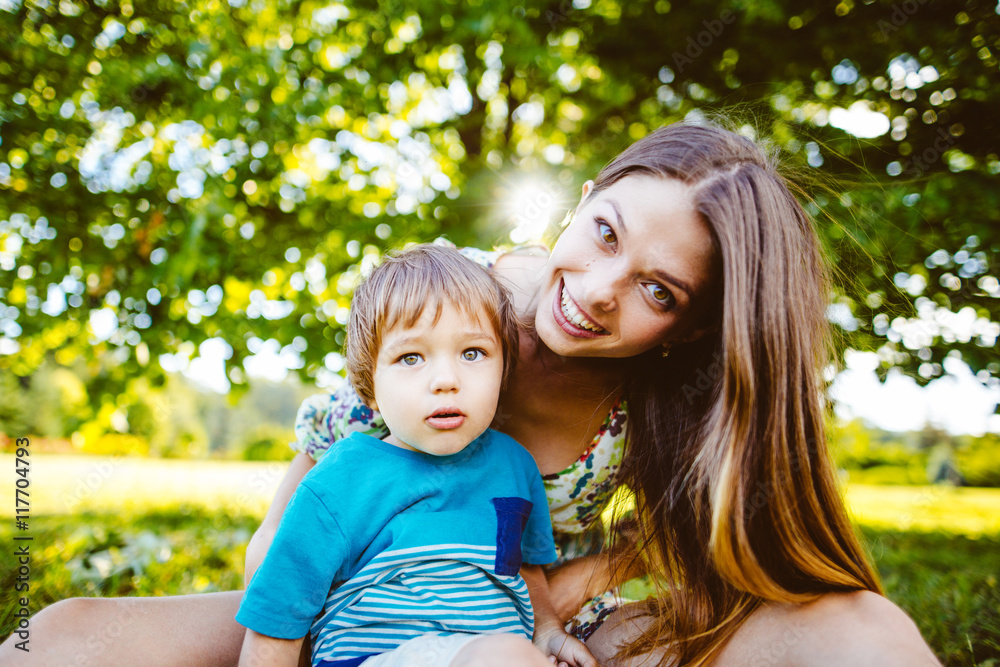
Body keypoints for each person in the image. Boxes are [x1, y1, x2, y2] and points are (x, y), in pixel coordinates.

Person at [3, 120, 939, 667]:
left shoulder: (660, 405)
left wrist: (555, 604)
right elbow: (284, 546)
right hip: (356, 599)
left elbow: (682, 536)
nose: (602, 289)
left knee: (861, 630)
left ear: (690, 329)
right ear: (583, 197)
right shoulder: (455, 316)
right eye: (605, 233)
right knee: (63, 638)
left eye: (660, 290)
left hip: (519, 625)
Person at [235, 243, 593, 667]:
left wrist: (548, 631)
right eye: (410, 357)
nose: (445, 380)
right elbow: (278, 615)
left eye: (472, 353)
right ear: (369, 383)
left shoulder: (516, 467)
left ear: (504, 367)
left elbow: (525, 570)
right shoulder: (344, 477)